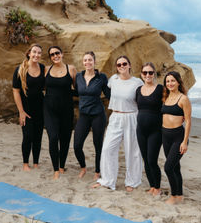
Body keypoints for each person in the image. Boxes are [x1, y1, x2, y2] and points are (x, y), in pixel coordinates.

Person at [93, 55, 143, 191]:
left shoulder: (137, 82)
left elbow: (143, 99)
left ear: (129, 65)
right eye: (119, 64)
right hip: (115, 116)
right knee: (108, 149)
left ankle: (132, 182)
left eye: (124, 64)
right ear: (116, 67)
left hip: (131, 117)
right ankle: (108, 181)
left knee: (132, 151)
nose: (122, 66)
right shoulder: (113, 79)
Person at [73, 51, 110, 180]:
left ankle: (97, 171)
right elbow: (76, 92)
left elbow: (109, 94)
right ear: (83, 62)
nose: (87, 62)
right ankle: (83, 167)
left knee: (98, 144)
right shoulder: (78, 76)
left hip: (98, 115)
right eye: (85, 60)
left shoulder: (101, 77)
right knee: (77, 145)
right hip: (83, 115)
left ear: (94, 62)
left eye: (90, 60)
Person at [44, 46, 77, 180]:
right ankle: (56, 169)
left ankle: (62, 165)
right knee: (53, 137)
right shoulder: (46, 69)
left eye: (57, 53)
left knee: (65, 139)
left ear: (62, 54)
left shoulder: (71, 69)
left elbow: (77, 87)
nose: (55, 56)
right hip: (49, 109)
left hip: (67, 109)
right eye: (52, 55)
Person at [12, 44, 45, 171]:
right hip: (26, 109)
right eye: (34, 52)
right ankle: (25, 163)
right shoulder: (20, 69)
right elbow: (16, 91)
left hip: (40, 108)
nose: (36, 55)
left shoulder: (42, 68)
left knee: (38, 136)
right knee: (27, 136)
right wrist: (21, 112)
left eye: (39, 53)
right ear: (29, 53)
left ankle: (36, 162)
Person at [161, 71, 192, 204]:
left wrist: (184, 142)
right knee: (175, 167)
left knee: (168, 167)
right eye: (167, 81)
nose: (170, 83)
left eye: (172, 80)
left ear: (178, 82)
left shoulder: (183, 99)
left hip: (178, 137)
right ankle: (180, 195)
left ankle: (174, 196)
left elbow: (189, 121)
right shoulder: (166, 97)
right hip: (165, 136)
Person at [136, 62, 163, 196]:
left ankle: (157, 187)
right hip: (140, 130)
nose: (147, 75)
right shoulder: (138, 90)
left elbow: (169, 104)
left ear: (154, 74)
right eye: (145, 73)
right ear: (141, 75)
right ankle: (152, 186)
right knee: (145, 160)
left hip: (155, 131)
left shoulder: (160, 89)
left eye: (150, 72)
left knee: (152, 160)